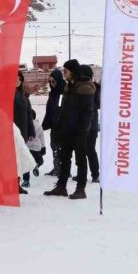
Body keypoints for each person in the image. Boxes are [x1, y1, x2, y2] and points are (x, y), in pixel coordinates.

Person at [44, 61, 95, 200]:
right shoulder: (69, 86)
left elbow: (87, 113)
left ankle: (80, 189)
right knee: (64, 159)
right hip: (66, 130)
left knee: (80, 160)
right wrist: (59, 126)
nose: (64, 73)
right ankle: (61, 187)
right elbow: (64, 109)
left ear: (72, 71)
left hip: (79, 132)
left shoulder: (84, 87)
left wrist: (82, 131)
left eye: (65, 70)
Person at [42, 67, 66, 176]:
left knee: (60, 148)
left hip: (61, 126)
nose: (51, 84)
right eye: (50, 82)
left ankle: (62, 170)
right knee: (54, 146)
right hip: (54, 125)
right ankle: (56, 168)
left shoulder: (61, 93)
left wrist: (57, 120)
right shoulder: (53, 93)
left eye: (53, 81)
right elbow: (50, 109)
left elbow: (60, 108)